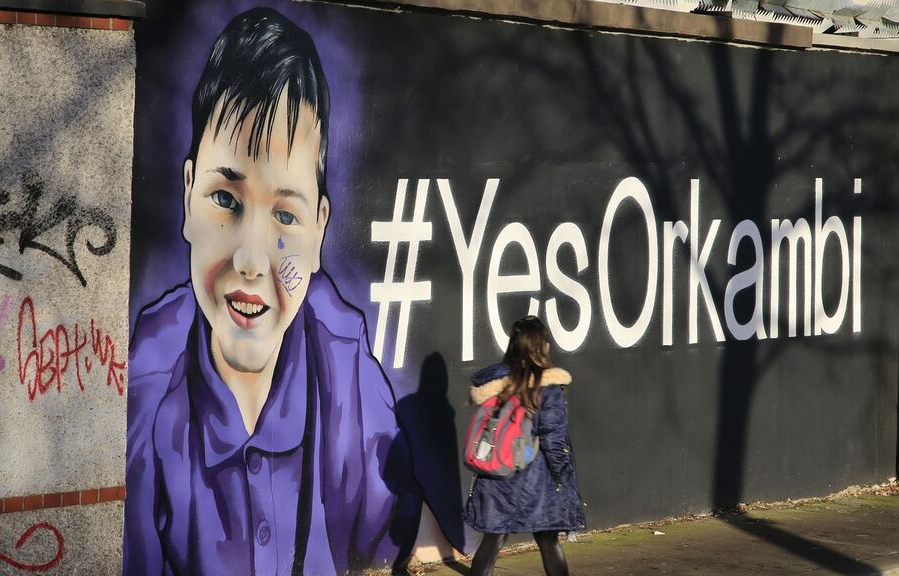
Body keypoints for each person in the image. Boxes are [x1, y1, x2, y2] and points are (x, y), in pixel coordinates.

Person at [123, 8, 417, 575]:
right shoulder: (150, 393)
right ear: (187, 197)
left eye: (285, 215)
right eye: (225, 200)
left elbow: (399, 533)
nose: (251, 260)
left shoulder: (344, 368)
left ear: (319, 231)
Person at [464, 316, 586, 576]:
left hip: (497, 474)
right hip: (535, 480)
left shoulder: (494, 383)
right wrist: (562, 479)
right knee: (548, 543)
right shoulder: (547, 386)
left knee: (492, 541)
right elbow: (553, 439)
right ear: (542, 346)